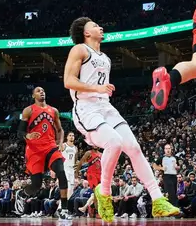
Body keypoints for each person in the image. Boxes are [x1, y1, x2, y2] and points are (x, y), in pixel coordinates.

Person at [64, 17, 179, 222]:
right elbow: (68, 81)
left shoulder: (106, 58)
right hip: (86, 107)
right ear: (86, 33)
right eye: (94, 25)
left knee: (134, 148)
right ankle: (104, 192)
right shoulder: (80, 50)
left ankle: (158, 199)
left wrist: (101, 91)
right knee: (114, 142)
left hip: (105, 106)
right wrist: (97, 88)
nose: (100, 26)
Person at [15, 87, 71, 220]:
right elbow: (20, 132)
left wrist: (61, 142)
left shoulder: (54, 110)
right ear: (33, 95)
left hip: (50, 146)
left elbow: (60, 129)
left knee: (61, 173)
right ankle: (22, 194)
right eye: (38, 91)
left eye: (43, 90)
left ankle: (64, 209)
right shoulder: (28, 110)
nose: (42, 92)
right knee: (36, 185)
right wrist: (28, 135)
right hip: (34, 150)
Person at [75, 147, 102, 214]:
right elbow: (81, 162)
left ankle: (92, 206)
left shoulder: (101, 154)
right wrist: (76, 172)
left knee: (100, 193)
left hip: (100, 174)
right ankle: (97, 211)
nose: (95, 145)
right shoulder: (89, 153)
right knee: (96, 192)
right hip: (91, 174)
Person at [62, 132, 78, 198]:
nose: (71, 137)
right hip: (65, 167)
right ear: (67, 137)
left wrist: (76, 170)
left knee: (71, 188)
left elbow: (75, 160)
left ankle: (67, 204)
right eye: (70, 135)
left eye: (73, 135)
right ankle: (62, 206)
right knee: (67, 186)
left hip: (72, 169)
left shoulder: (75, 148)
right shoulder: (64, 145)